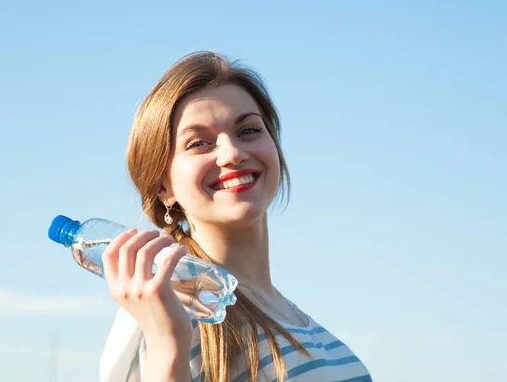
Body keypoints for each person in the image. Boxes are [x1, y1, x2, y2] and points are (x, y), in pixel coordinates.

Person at [99, 51, 372, 382]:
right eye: (199, 143)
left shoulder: (306, 327)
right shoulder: (165, 312)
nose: (232, 153)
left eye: (248, 131)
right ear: (161, 186)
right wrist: (166, 343)